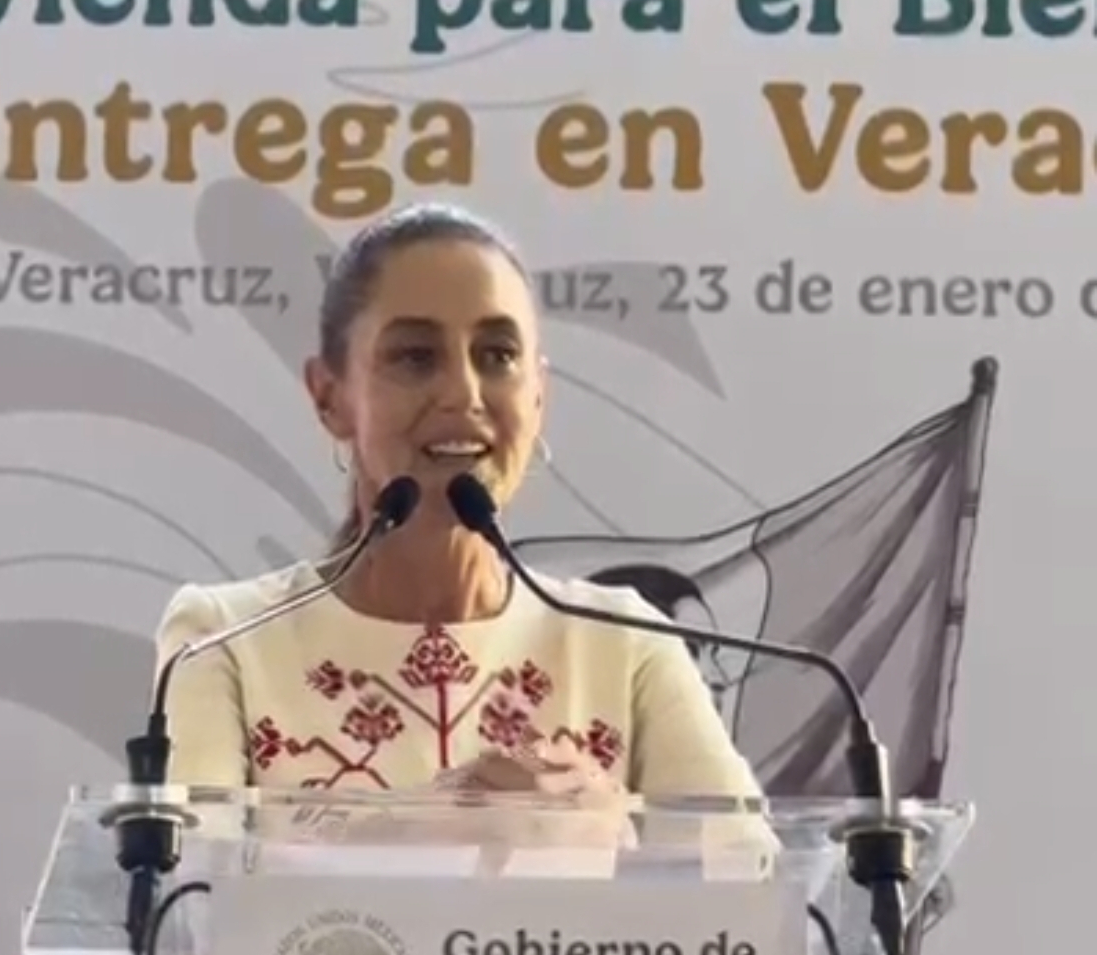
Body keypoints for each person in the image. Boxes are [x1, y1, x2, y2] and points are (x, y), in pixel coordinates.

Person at [153, 202, 766, 828]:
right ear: (330, 397)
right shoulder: (225, 640)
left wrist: (612, 840)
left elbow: (756, 879)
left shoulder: (625, 643)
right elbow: (186, 884)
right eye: (416, 357)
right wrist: (426, 828)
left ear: (538, 395)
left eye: (497, 355)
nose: (464, 394)